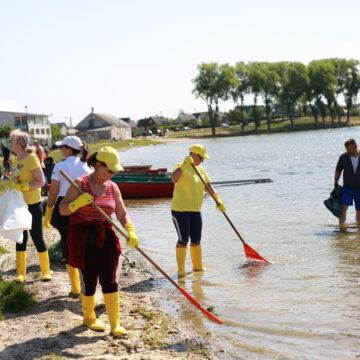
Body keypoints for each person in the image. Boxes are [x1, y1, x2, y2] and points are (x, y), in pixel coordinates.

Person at [59, 146, 140, 336]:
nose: (113, 173)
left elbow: (121, 212)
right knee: (89, 280)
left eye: (115, 170)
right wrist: (76, 203)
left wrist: (130, 229)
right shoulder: (80, 183)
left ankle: (115, 324)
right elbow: (62, 209)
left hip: (106, 236)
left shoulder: (113, 187)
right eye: (110, 170)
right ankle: (89, 318)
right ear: (97, 165)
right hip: (83, 238)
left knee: (110, 280)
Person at [43, 136, 90, 297]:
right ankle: (86, 284)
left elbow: (53, 192)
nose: (60, 150)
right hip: (83, 204)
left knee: (67, 241)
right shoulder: (88, 166)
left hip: (64, 204)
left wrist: (48, 211)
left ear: (69, 149)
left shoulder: (60, 166)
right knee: (83, 242)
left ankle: (76, 288)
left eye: (62, 147)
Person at [171, 144, 226, 276]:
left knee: (196, 239)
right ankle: (181, 270)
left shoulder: (200, 170)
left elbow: (208, 186)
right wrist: (184, 165)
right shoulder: (180, 166)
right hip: (180, 210)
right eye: (201, 158)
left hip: (195, 210)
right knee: (183, 239)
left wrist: (218, 199)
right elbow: (174, 178)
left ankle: (197, 267)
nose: (202, 161)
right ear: (194, 155)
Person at [9, 129, 51, 282]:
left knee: (37, 237)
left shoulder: (32, 158)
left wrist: (22, 187)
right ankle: (21, 274)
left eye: (11, 140)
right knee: (20, 238)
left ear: (19, 143)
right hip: (18, 204)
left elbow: (41, 182)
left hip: (33, 204)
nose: (9, 143)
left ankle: (46, 271)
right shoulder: (13, 159)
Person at [335, 138, 360, 225]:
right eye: (347, 149)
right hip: (347, 188)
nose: (348, 151)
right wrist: (335, 183)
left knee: (359, 211)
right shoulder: (343, 157)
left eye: (349, 149)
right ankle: (341, 228)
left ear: (356, 146)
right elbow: (338, 170)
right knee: (343, 209)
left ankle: (358, 231)